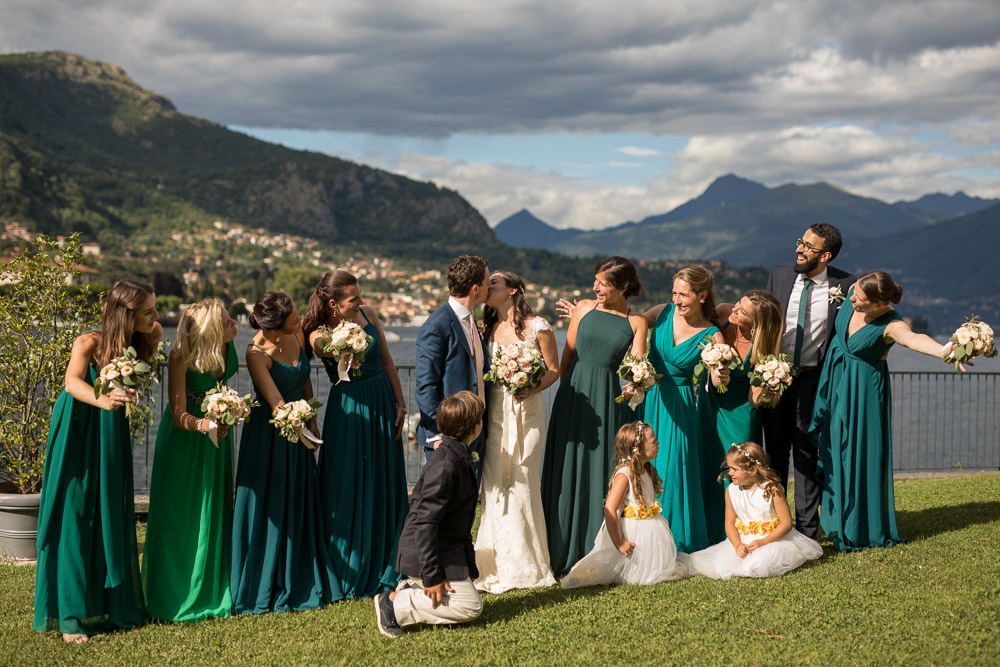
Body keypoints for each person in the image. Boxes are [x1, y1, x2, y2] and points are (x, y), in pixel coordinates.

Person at [34, 279, 161, 643]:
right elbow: (71, 382)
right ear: (126, 314)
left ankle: (114, 605)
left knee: (109, 512)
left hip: (109, 432)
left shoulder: (137, 344)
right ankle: (71, 617)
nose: (155, 316)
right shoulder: (87, 342)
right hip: (77, 429)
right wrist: (103, 399)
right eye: (148, 311)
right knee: (74, 515)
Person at [810, 272, 960, 551]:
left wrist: (944, 352)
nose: (853, 299)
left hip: (863, 391)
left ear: (880, 305)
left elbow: (914, 339)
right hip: (836, 384)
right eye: (854, 293)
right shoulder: (853, 293)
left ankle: (859, 525)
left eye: (861, 300)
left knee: (858, 453)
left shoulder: (891, 324)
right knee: (832, 449)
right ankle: (834, 517)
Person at [230, 292, 342, 613]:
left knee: (298, 497)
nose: (300, 322)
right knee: (272, 503)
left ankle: (301, 566)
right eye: (295, 319)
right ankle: (268, 574)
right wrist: (299, 425)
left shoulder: (295, 333)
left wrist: (312, 420)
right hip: (272, 434)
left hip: (299, 424)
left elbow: (304, 379)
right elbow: (276, 403)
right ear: (275, 330)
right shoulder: (256, 353)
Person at [302, 270, 409, 599]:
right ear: (334, 304)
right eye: (353, 299)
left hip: (381, 400)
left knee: (382, 477)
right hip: (350, 408)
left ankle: (391, 555)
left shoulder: (369, 314)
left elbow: (388, 361)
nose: (361, 302)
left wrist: (401, 403)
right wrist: (345, 340)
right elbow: (338, 358)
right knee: (349, 480)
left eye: (360, 296)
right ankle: (351, 559)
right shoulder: (318, 336)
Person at [542, 256, 647, 576]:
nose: (595, 287)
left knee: (598, 471)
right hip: (574, 396)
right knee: (564, 468)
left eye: (602, 283)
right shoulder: (584, 308)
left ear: (623, 287)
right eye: (596, 281)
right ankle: (556, 546)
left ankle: (592, 548)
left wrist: (633, 387)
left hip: (606, 398)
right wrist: (567, 394)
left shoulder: (636, 322)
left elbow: (638, 369)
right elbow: (568, 353)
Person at [143, 298, 238, 622]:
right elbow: (176, 412)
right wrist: (202, 424)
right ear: (211, 330)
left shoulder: (227, 349)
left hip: (218, 439)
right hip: (186, 440)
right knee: (180, 517)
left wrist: (227, 415)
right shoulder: (180, 355)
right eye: (227, 322)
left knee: (213, 510)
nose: (234, 325)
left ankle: (211, 586)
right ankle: (175, 592)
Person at [761, 223, 854, 539]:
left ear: (825, 255)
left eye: (808, 246)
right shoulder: (779, 275)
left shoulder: (846, 284)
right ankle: (775, 525)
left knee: (807, 454)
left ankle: (806, 531)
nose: (799, 249)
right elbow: (760, 320)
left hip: (814, 382)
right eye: (800, 242)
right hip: (776, 379)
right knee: (773, 454)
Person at [374, 391, 485, 639]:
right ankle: (393, 605)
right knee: (470, 606)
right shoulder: (446, 465)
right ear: (475, 427)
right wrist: (433, 576)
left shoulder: (456, 453)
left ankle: (411, 586)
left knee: (466, 593)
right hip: (423, 552)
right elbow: (425, 524)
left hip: (443, 549)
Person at [474, 271, 559, 593]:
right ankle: (492, 564)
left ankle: (529, 565)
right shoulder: (485, 328)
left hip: (527, 413)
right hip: (494, 414)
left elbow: (553, 369)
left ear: (512, 290)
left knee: (523, 481)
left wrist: (530, 386)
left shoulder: (539, 326)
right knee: (495, 486)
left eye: (493, 283)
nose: (487, 287)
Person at [639, 266, 724, 553]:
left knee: (673, 469)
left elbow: (716, 371)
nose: (677, 300)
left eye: (684, 295)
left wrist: (719, 374)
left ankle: (673, 541)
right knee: (640, 465)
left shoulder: (712, 334)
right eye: (674, 293)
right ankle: (638, 536)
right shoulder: (662, 312)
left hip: (680, 406)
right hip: (648, 398)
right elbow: (633, 323)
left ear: (702, 296)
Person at [697, 290, 784, 543]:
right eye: (738, 303)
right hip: (711, 404)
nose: (734, 310)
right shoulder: (724, 313)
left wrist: (769, 385)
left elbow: (754, 399)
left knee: (736, 470)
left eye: (742, 312)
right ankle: (707, 531)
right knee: (707, 462)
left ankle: (737, 535)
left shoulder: (763, 349)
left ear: (757, 324)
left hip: (740, 413)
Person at [561, 421, 687, 588]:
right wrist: (619, 541)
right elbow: (610, 508)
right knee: (636, 575)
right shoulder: (624, 475)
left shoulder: (646, 469)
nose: (658, 443)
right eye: (653, 440)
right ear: (638, 447)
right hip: (633, 533)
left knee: (658, 570)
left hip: (651, 529)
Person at [688, 442, 822, 579]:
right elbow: (729, 523)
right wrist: (737, 545)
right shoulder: (731, 491)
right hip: (744, 541)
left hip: (772, 540)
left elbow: (786, 523)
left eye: (734, 469)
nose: (730, 473)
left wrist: (763, 542)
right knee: (723, 565)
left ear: (752, 470)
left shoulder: (771, 489)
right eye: (729, 468)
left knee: (761, 563)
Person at [415, 255, 490, 464]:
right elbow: (425, 387)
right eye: (487, 283)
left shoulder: (471, 320)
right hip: (448, 439)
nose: (490, 288)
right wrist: (441, 435)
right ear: (475, 289)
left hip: (475, 432)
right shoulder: (436, 326)